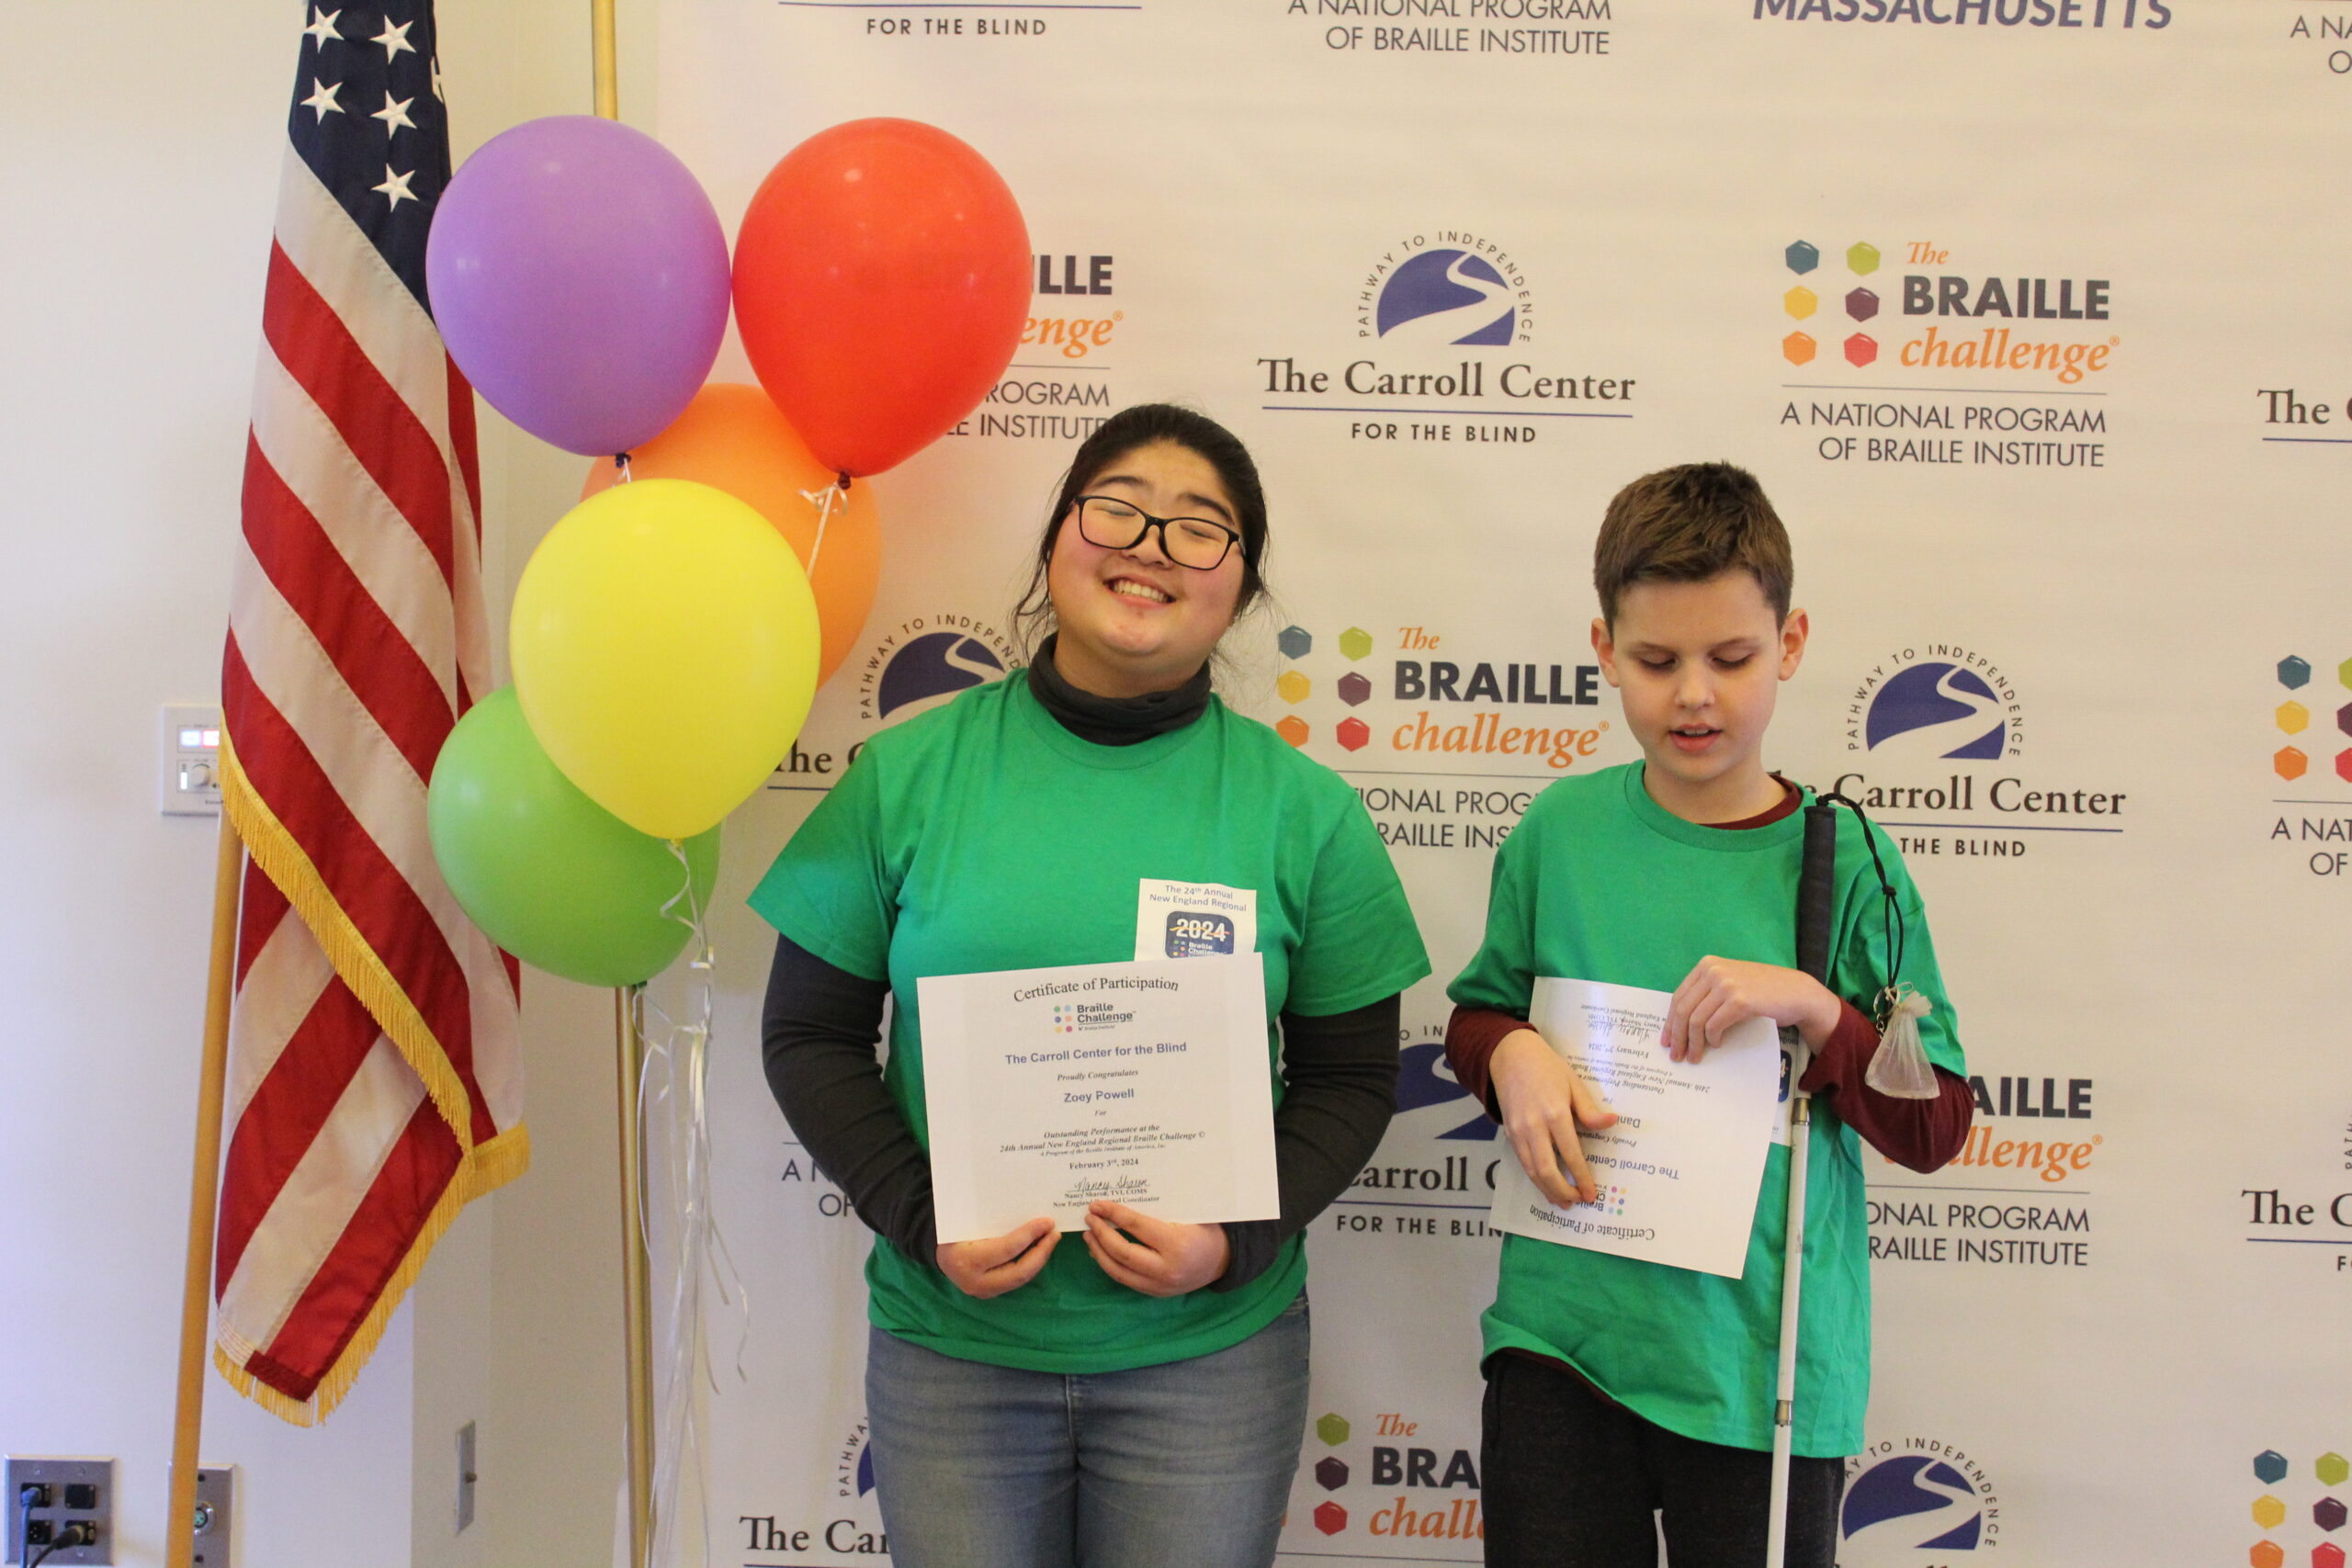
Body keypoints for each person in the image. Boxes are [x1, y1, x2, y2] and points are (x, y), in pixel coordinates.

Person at [752, 403, 1430, 1568]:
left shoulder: (1303, 814)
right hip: (953, 1355)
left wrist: (1236, 1239)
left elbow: (1353, 1077)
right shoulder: (909, 773)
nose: (1151, 547)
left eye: (1199, 529)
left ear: (1241, 587)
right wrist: (921, 1218)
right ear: (1058, 538)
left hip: (1208, 1364)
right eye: (1116, 508)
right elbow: (807, 1034)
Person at [1443, 463, 1975, 1568]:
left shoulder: (1853, 864)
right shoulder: (1562, 831)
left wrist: (1820, 1010)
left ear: (1789, 645)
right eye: (1655, 660)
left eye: (1730, 658)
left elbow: (1935, 1129)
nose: (1694, 693)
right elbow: (1476, 1019)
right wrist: (1513, 1058)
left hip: (1760, 1375)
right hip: (1562, 1344)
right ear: (1603, 652)